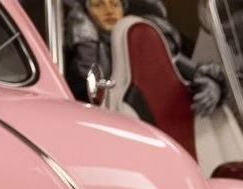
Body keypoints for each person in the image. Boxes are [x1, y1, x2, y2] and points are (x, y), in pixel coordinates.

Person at [65, 0, 225, 114]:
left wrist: (212, 85)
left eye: (115, 4)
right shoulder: (84, 49)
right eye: (98, 4)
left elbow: (182, 70)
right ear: (85, 13)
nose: (109, 10)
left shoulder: (144, 46)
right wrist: (86, 37)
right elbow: (88, 88)